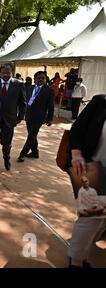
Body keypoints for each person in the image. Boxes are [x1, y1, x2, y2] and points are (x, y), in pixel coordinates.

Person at [67, 93, 106, 267]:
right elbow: (77, 129)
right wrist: (76, 154)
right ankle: (76, 260)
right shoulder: (100, 102)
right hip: (95, 171)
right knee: (91, 218)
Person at [0, 63, 26, 175]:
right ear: (0, 72)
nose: (6, 75)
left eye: (8, 72)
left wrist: (20, 117)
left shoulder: (19, 84)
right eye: (3, 73)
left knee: (6, 144)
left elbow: (22, 103)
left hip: (10, 120)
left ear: (12, 72)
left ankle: (6, 158)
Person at [17, 71, 54, 162]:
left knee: (31, 135)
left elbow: (51, 105)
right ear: (34, 79)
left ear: (45, 79)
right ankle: (35, 152)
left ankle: (23, 154)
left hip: (39, 117)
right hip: (29, 115)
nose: (40, 79)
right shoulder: (29, 88)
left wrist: (50, 119)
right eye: (38, 78)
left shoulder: (49, 90)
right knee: (32, 135)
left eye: (42, 78)